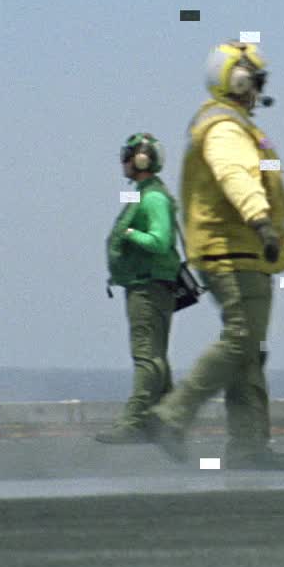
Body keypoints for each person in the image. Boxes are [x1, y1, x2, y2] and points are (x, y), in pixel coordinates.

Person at [147, 39, 284, 470]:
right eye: (256, 80)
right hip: (233, 249)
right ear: (239, 79)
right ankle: (172, 416)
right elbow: (236, 175)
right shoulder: (225, 128)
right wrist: (260, 221)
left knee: (249, 349)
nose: (259, 90)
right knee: (241, 339)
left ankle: (248, 448)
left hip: (244, 252)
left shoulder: (237, 125)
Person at [97, 132, 182, 444]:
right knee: (156, 355)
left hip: (149, 287)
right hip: (142, 285)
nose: (123, 161)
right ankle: (168, 425)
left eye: (128, 155)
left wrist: (131, 233)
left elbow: (160, 242)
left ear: (142, 159)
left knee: (147, 356)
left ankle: (134, 422)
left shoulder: (153, 198)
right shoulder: (143, 194)